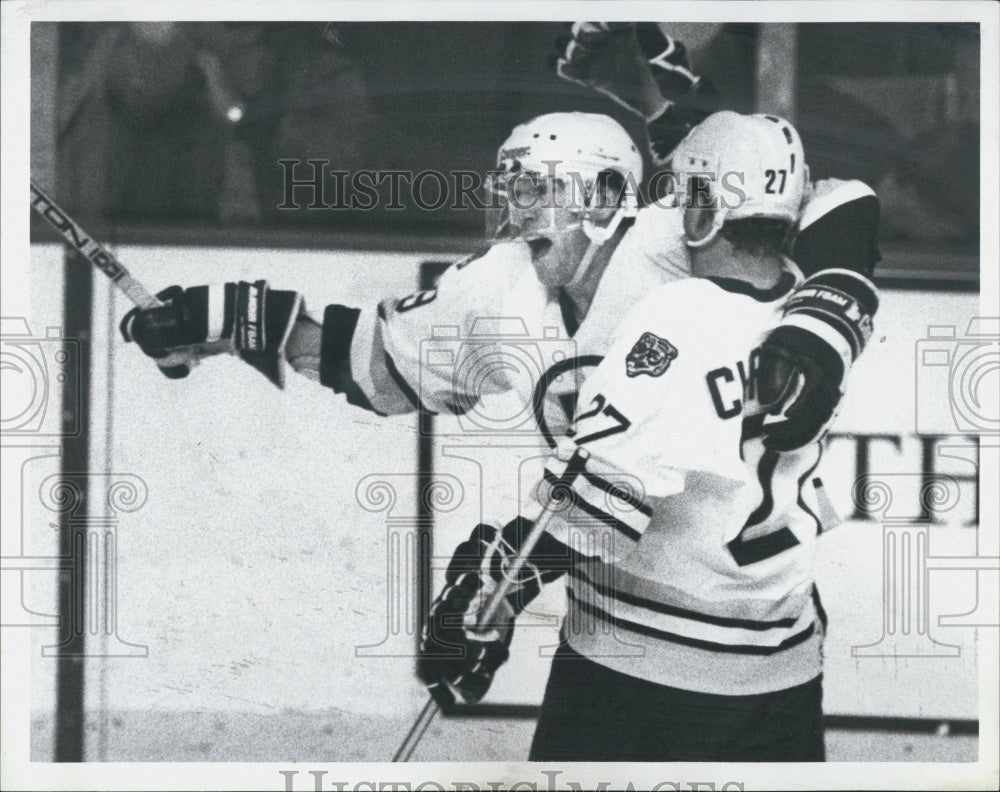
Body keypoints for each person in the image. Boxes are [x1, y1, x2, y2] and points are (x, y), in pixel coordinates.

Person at [417, 111, 880, 761]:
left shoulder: (676, 312)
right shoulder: (808, 306)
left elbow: (599, 495)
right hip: (783, 668)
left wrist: (499, 578)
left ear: (703, 211)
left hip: (639, 672)